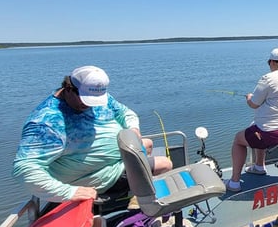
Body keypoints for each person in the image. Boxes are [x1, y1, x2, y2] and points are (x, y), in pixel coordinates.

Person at [12, 65, 173, 206]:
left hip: (112, 159)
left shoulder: (95, 95)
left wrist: (133, 129)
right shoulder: (46, 122)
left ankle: (136, 192)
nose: (89, 104)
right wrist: (68, 192)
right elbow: (25, 168)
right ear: (69, 88)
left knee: (148, 143)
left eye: (95, 100)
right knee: (165, 164)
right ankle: (146, 201)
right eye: (85, 99)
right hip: (96, 176)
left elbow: (124, 113)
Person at [226, 48, 278, 192]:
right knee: (255, 127)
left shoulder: (268, 78)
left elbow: (254, 104)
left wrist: (249, 98)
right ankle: (259, 166)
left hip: (274, 133)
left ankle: (234, 182)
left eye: (269, 63)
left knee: (238, 140)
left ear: (271, 62)